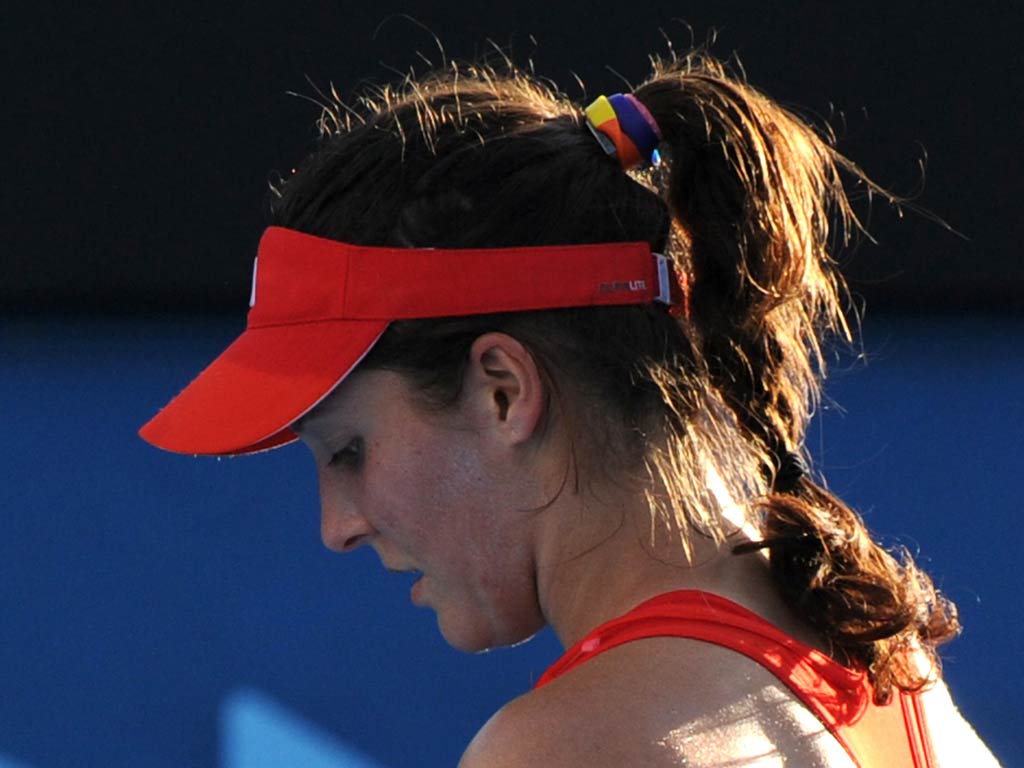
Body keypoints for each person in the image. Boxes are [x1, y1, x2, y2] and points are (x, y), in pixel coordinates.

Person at [140, 48, 1000, 766]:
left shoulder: (563, 749)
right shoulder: (906, 690)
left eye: (348, 449)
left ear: (504, 392)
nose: (337, 525)